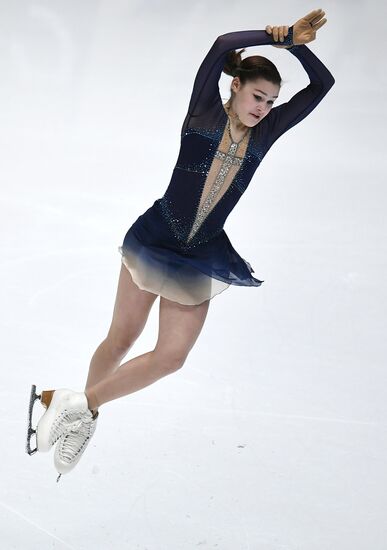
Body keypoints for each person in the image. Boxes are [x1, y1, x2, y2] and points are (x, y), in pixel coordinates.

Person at [26, 9, 335, 481]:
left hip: (202, 253)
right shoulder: (204, 111)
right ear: (236, 88)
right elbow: (221, 44)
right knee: (121, 339)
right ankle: (82, 421)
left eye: (271, 102)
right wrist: (278, 36)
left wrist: (296, 49)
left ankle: (75, 406)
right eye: (257, 96)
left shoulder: (267, 132)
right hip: (155, 237)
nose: (263, 108)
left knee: (171, 357)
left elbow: (323, 84)